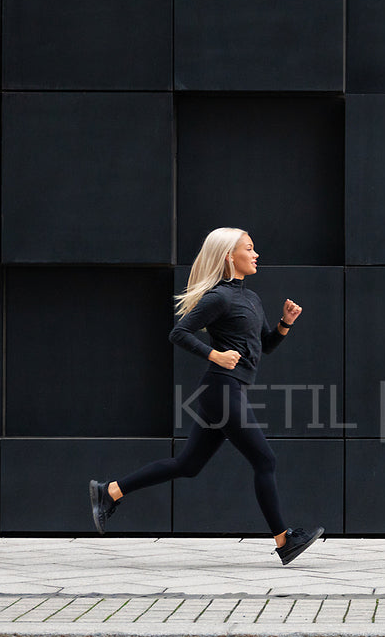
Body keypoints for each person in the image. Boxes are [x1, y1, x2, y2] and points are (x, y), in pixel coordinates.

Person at [88, 227, 324, 565]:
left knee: (188, 465)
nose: (256, 254)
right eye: (249, 248)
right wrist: (215, 355)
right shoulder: (218, 298)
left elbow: (264, 347)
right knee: (265, 460)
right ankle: (285, 540)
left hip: (229, 389)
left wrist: (285, 324)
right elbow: (178, 332)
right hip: (222, 389)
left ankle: (110, 491)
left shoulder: (251, 299)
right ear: (230, 256)